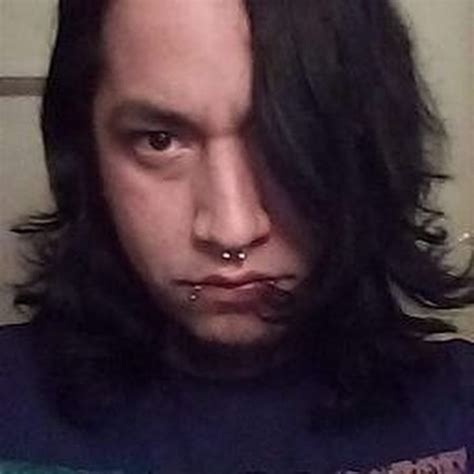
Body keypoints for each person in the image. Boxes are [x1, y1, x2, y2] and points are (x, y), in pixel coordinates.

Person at [1, 0, 473, 472]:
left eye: (282, 137)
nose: (232, 230)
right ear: (86, 151)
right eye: (160, 140)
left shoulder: (458, 406)